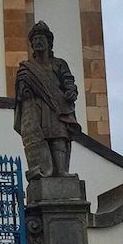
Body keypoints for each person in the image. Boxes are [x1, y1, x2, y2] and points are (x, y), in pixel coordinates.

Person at [14, 21, 80, 180]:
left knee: (59, 138)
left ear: (49, 42)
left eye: (41, 38)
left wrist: (71, 91)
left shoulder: (59, 63)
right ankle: (44, 169)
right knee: (43, 138)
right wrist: (24, 92)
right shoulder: (26, 67)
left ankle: (62, 171)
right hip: (37, 107)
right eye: (35, 39)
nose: (38, 42)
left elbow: (68, 81)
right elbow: (21, 90)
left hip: (58, 106)